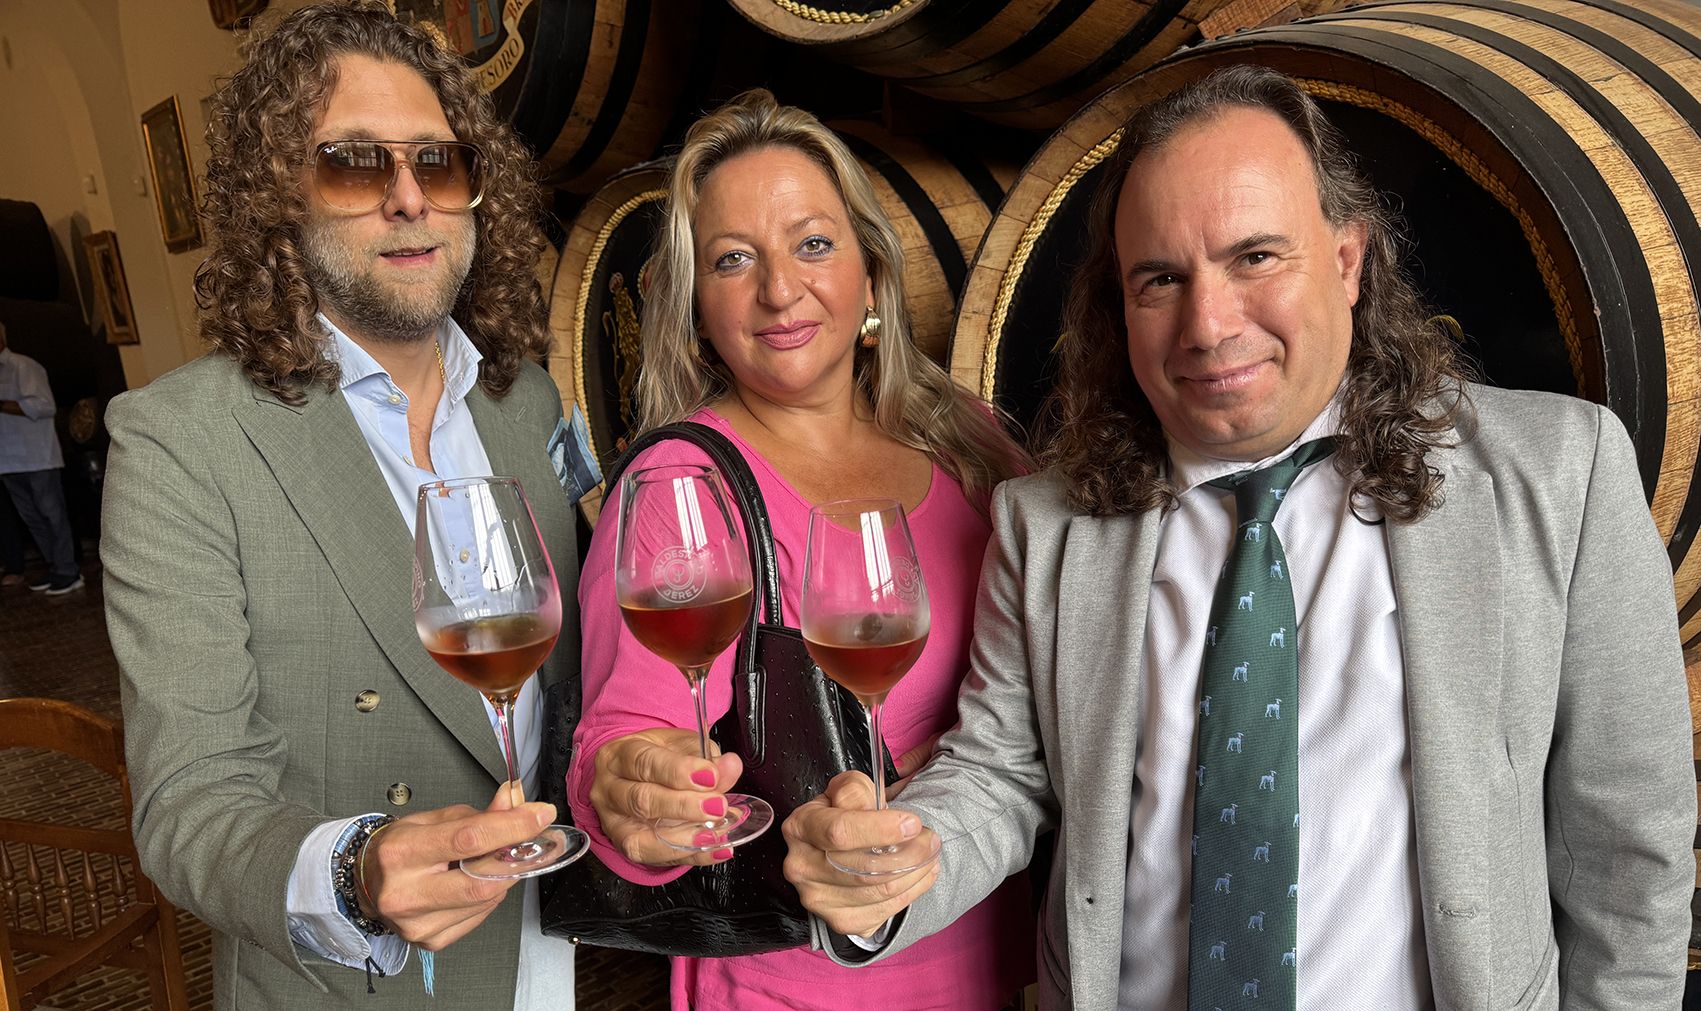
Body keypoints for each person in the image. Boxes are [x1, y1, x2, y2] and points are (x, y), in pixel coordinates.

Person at [783, 64, 1695, 1008]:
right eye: (1161, 279)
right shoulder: (1047, 520)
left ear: (1347, 261)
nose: (1208, 324)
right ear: (1118, 305)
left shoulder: (1558, 472)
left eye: (1255, 257)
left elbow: (1627, 842)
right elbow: (999, 771)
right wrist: (893, 860)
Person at [102, 4, 581, 1007]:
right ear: (279, 196)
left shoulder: (525, 399)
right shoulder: (182, 440)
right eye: (356, 165)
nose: (409, 199)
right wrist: (359, 874)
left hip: (547, 943)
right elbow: (190, 805)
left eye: (437, 162)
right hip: (361, 978)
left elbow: (571, 688)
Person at [566, 89, 1036, 1010]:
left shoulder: (970, 441)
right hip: (801, 976)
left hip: (1003, 941)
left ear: (871, 271)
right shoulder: (681, 487)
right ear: (697, 307)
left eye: (812, 244)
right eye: (733, 260)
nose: (779, 290)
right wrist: (629, 791)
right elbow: (624, 742)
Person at [0, 320, 81, 594]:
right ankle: (55, 567)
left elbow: (45, 406)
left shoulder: (23, 366)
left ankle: (69, 572)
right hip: (6, 460)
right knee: (32, 518)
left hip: (37, 456)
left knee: (52, 515)